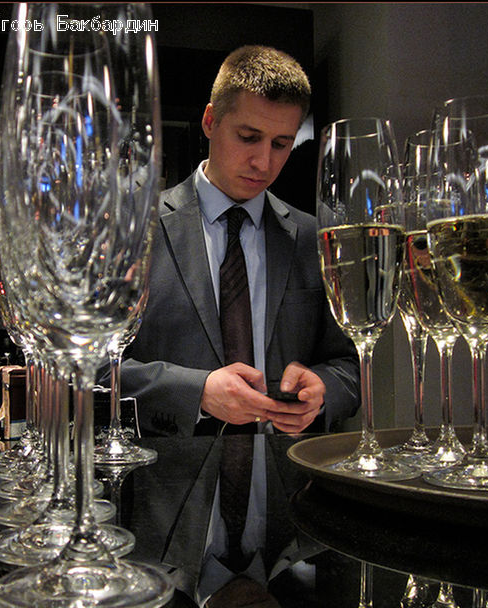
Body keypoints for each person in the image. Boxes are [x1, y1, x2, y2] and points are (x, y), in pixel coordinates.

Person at [121, 45, 360, 437]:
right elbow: (89, 370)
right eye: (249, 137)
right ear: (210, 121)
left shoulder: (313, 238)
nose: (264, 163)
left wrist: (323, 390)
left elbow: (349, 369)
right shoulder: (136, 231)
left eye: (281, 144)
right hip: (165, 484)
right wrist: (196, 392)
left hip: (283, 483)